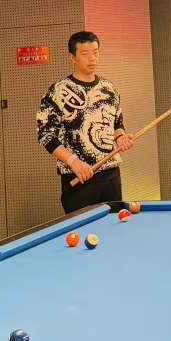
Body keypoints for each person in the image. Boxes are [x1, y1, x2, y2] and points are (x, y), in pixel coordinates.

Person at [36, 31, 134, 214]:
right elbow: (45, 136)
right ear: (72, 57)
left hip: (111, 174)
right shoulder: (58, 91)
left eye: (95, 52)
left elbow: (117, 123)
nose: (92, 58)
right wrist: (74, 162)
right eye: (85, 54)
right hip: (79, 177)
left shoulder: (109, 88)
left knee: (114, 225)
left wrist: (120, 138)